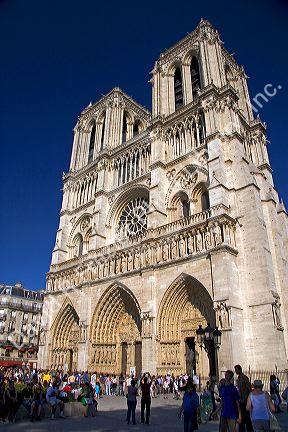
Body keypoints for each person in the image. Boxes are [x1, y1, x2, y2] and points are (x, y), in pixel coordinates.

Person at [234, 364, 253, 432]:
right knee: (241, 416)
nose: (235, 371)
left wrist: (249, 399)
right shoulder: (238, 379)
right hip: (240, 400)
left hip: (245, 400)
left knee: (247, 417)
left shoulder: (245, 378)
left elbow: (249, 388)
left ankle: (249, 429)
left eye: (236, 369)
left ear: (240, 369)